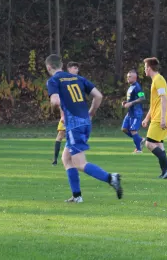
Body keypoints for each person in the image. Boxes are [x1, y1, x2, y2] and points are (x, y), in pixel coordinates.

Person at [45, 54, 122, 203]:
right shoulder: (77, 78)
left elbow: (54, 100)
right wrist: (91, 112)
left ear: (49, 67)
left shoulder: (53, 80)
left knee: (79, 163)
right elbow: (98, 96)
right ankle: (77, 196)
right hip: (85, 122)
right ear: (62, 65)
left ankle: (111, 178)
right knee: (66, 158)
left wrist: (61, 108)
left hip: (74, 124)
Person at [141, 57, 167, 179]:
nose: (144, 70)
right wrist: (146, 118)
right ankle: (165, 171)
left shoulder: (159, 79)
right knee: (159, 145)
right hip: (157, 116)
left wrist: (162, 118)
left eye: (145, 67)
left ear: (149, 68)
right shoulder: (155, 80)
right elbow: (154, 103)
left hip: (160, 118)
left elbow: (164, 98)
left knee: (149, 143)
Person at [52, 62, 80, 165]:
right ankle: (55, 159)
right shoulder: (65, 82)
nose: (77, 70)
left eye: (77, 68)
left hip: (76, 116)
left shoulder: (79, 81)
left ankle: (74, 159)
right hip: (67, 115)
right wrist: (63, 115)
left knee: (74, 137)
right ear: (69, 69)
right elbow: (61, 100)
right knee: (60, 135)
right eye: (75, 68)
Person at [121, 69, 145, 153]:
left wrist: (131, 103)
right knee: (124, 129)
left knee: (133, 130)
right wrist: (126, 102)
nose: (128, 78)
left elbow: (142, 98)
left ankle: (138, 150)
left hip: (136, 112)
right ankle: (140, 139)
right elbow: (132, 99)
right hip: (130, 113)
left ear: (135, 77)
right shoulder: (131, 87)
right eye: (127, 76)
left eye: (129, 76)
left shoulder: (137, 87)